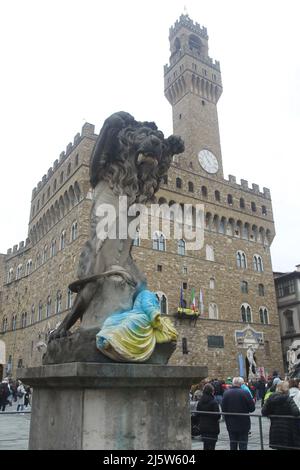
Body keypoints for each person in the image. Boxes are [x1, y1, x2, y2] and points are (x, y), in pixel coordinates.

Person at [262, 380, 300, 450]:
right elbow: (296, 412)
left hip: (275, 427)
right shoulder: (288, 398)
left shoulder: (271, 398)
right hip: (288, 428)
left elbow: (264, 412)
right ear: (286, 389)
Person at [221, 376, 255, 450]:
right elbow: (252, 409)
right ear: (241, 383)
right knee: (243, 445)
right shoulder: (245, 393)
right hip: (243, 423)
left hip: (230, 423)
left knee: (233, 444)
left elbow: (223, 409)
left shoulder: (226, 393)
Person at [196, 383, 220, 450]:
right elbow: (217, 415)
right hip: (213, 427)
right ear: (211, 391)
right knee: (212, 446)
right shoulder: (214, 402)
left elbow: (197, 414)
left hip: (203, 426)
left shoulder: (200, 402)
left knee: (205, 445)